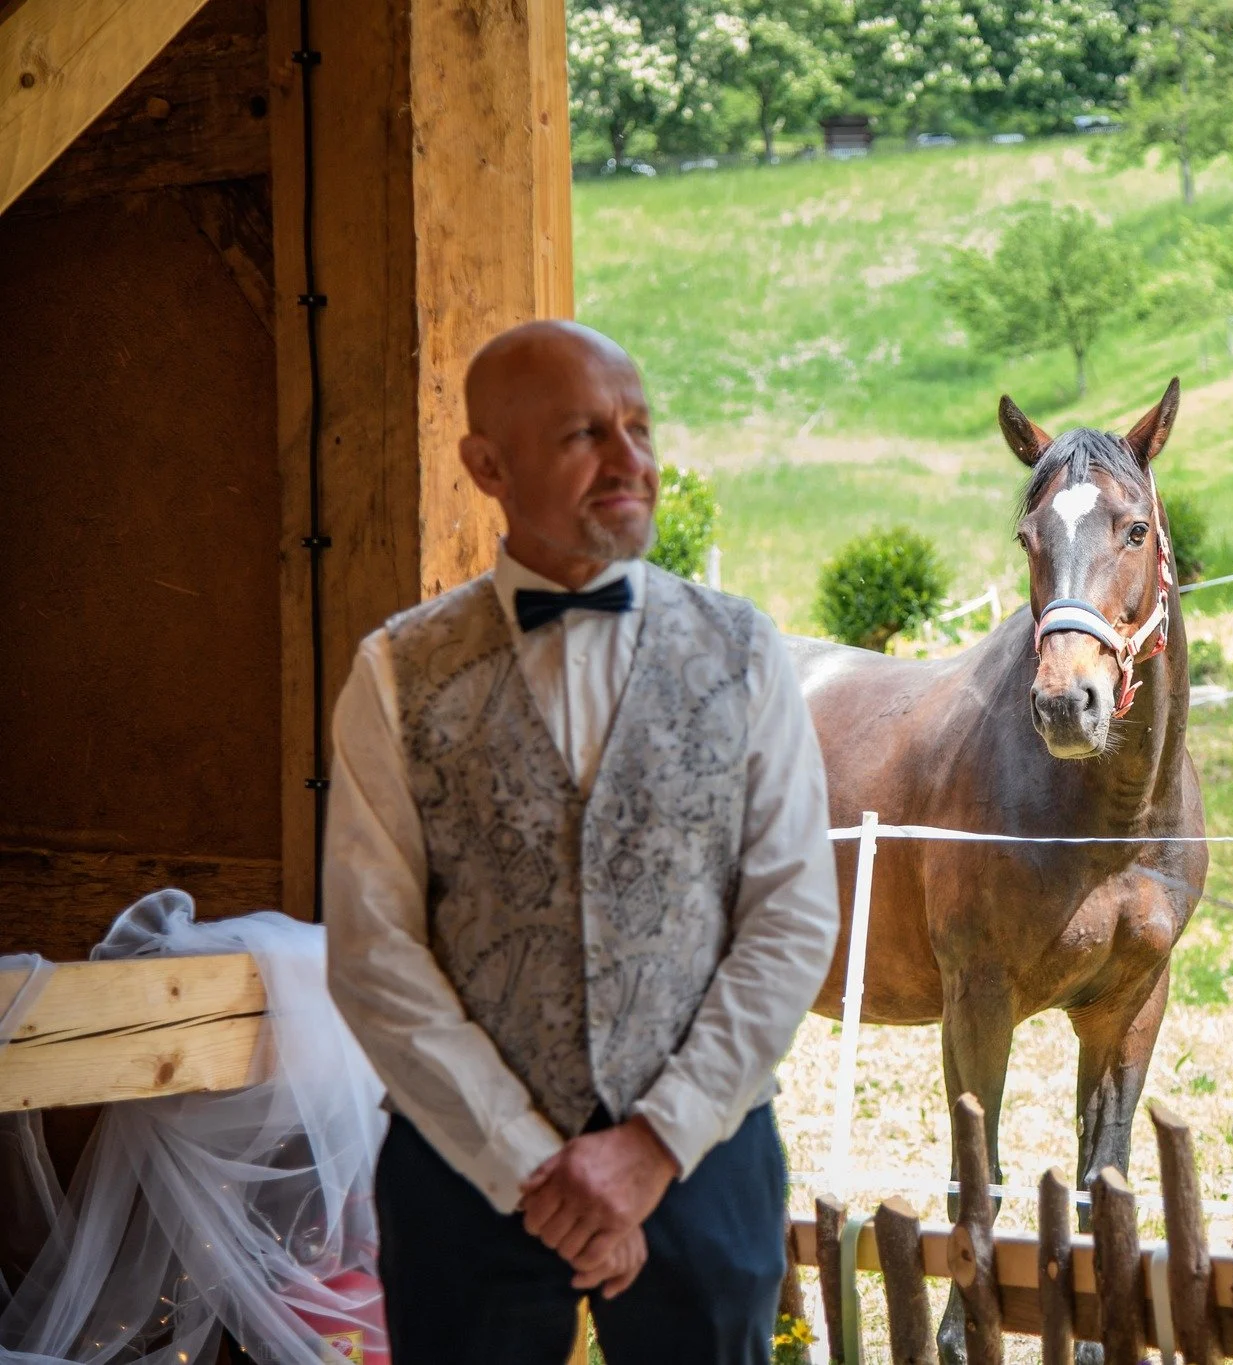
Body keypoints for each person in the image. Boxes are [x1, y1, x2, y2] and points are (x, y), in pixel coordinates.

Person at [323, 320, 841, 1364]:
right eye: (581, 435)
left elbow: (792, 916)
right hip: (463, 1175)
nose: (629, 461)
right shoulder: (394, 672)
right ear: (486, 464)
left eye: (639, 427)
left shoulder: (744, 653)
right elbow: (373, 952)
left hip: (703, 1162)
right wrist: (525, 1163)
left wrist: (653, 1145)